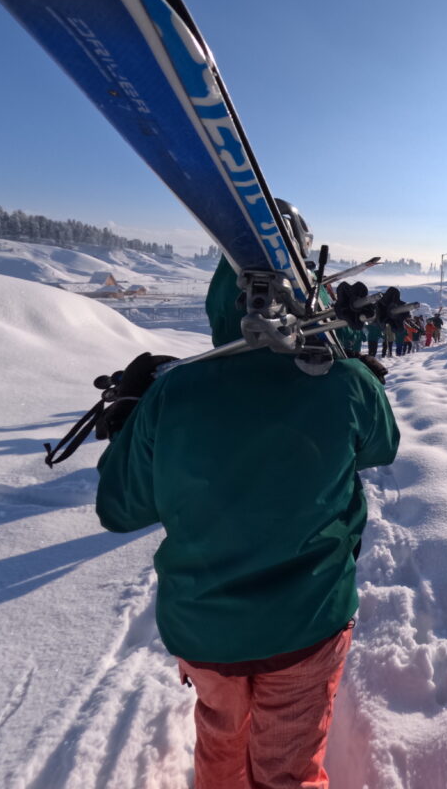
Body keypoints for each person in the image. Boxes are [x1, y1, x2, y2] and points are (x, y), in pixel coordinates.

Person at [95, 253, 399, 789]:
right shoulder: (345, 383)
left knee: (220, 734)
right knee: (288, 767)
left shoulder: (175, 392)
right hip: (308, 622)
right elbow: (382, 446)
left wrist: (128, 420)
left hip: (204, 629)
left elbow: (119, 509)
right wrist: (354, 372)